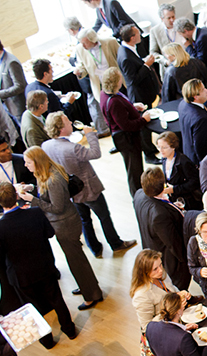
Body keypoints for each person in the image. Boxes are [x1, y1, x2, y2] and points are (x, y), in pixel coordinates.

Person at [0, 182, 77, 348]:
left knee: (32, 309)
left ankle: (47, 340)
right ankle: (70, 330)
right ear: (16, 196)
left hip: (22, 275)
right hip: (44, 266)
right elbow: (50, 233)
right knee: (57, 298)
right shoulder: (35, 213)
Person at [42, 112, 138, 259]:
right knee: (104, 216)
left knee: (85, 219)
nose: (70, 123)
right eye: (67, 121)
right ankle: (116, 244)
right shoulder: (72, 148)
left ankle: (95, 248)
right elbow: (95, 153)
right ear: (60, 128)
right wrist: (90, 134)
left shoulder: (46, 146)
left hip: (72, 191)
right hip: (89, 189)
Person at [19, 146, 104, 310]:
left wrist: (33, 200)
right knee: (76, 259)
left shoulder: (53, 180)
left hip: (65, 224)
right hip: (64, 223)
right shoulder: (47, 173)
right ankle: (87, 286)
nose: (25, 165)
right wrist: (32, 189)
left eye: (28, 162)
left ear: (37, 162)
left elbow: (57, 207)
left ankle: (92, 294)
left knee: (76, 261)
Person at [133, 168, 191, 291]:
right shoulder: (160, 214)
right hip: (167, 258)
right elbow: (173, 243)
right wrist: (186, 260)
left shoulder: (138, 194)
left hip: (150, 242)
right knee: (178, 285)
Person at [99, 67, 149, 195]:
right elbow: (126, 125)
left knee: (134, 168)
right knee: (134, 170)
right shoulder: (114, 102)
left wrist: (132, 107)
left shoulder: (104, 94)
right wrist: (144, 120)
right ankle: (138, 197)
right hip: (128, 140)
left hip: (123, 138)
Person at [72, 27, 119, 134]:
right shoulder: (80, 49)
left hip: (115, 81)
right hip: (99, 84)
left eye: (85, 43)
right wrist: (80, 71)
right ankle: (116, 134)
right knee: (108, 112)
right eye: (81, 43)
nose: (83, 46)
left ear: (93, 40)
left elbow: (119, 58)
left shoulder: (110, 42)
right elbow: (82, 66)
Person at [130, 249, 190, 330]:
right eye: (155, 269)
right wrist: (172, 309)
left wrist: (179, 294)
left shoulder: (160, 275)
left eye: (160, 265)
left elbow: (171, 289)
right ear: (144, 272)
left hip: (178, 319)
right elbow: (147, 327)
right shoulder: (141, 296)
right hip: (164, 330)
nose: (161, 270)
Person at [117, 25, 161, 111]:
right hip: (140, 96)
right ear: (132, 38)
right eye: (138, 34)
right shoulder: (126, 58)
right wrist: (147, 65)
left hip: (145, 93)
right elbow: (133, 80)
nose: (140, 35)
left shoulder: (128, 48)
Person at [156, 130, 201, 210]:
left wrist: (174, 189)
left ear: (173, 147)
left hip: (187, 202)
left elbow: (195, 182)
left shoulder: (184, 162)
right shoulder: (164, 159)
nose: (160, 150)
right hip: (174, 199)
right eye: (159, 147)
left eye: (164, 147)